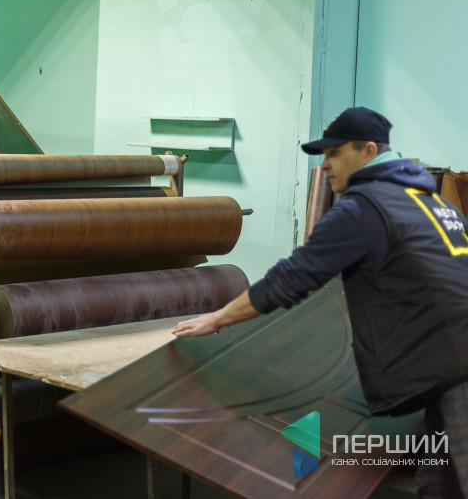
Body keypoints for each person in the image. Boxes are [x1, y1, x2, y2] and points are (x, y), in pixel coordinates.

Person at [172, 107, 468, 497]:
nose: (325, 165)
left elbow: (292, 277)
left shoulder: (364, 207)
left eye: (335, 153)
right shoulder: (435, 204)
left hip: (458, 371)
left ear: (369, 151)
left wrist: (218, 318)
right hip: (448, 370)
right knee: (439, 483)